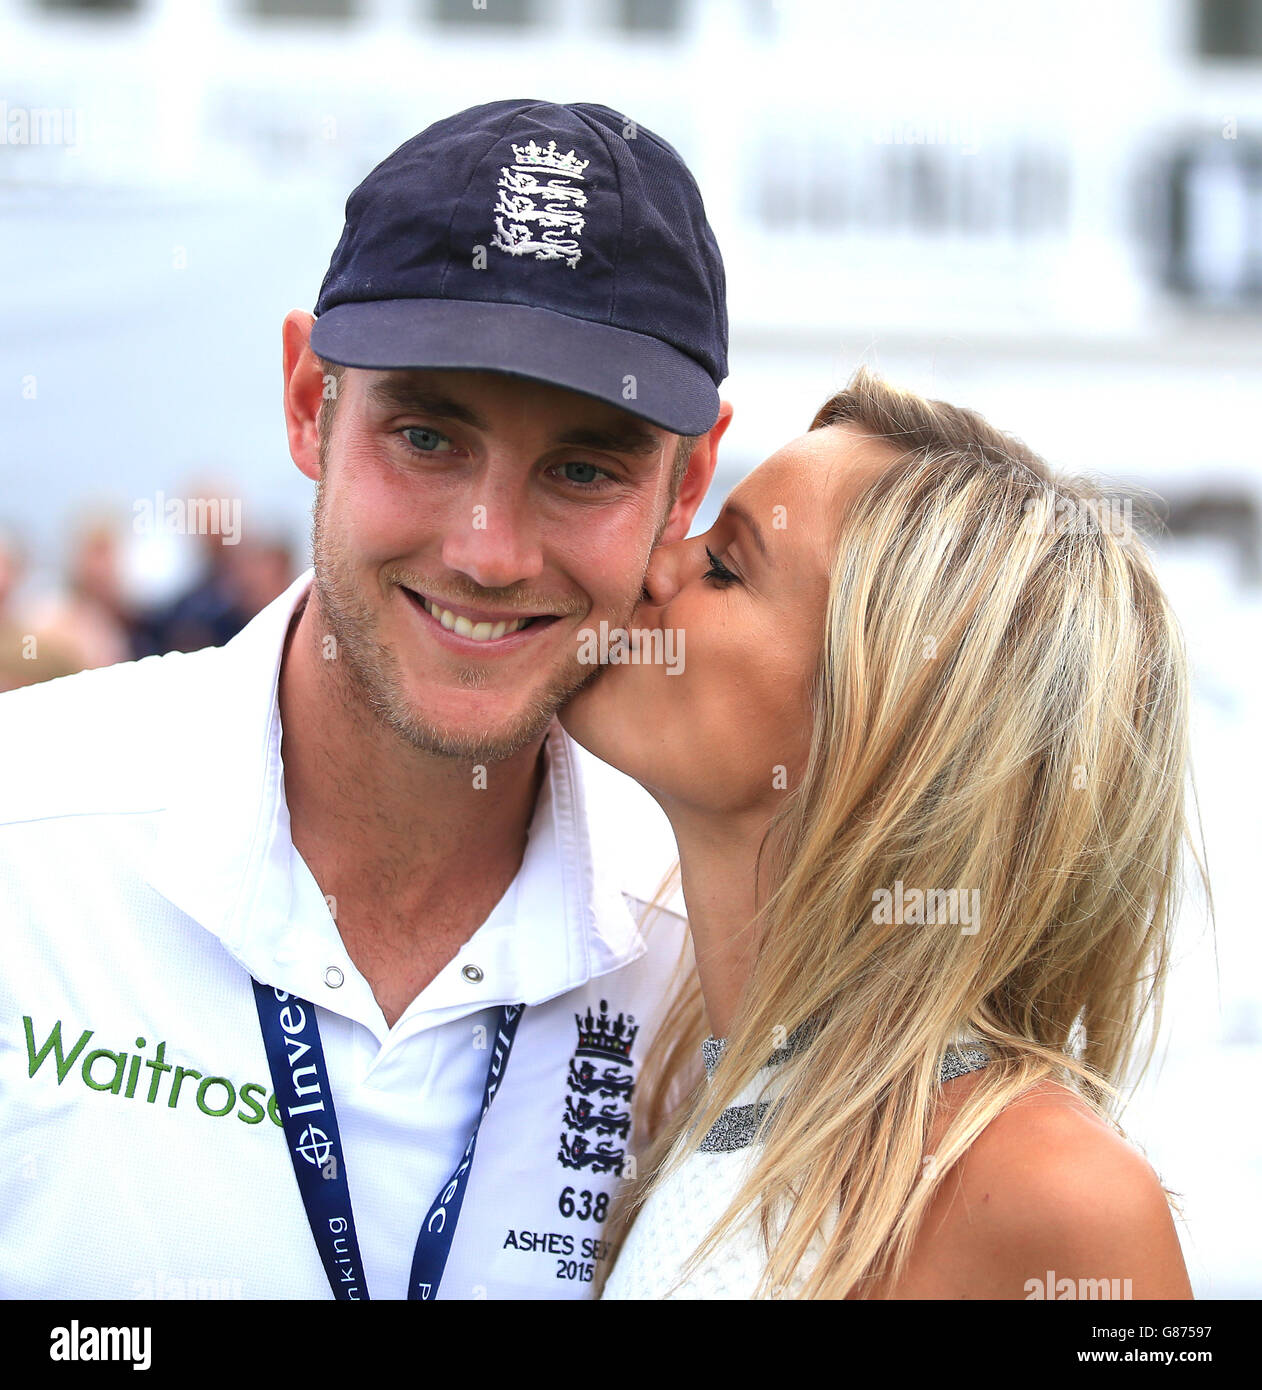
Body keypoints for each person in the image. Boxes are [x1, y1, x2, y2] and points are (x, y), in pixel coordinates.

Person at [0, 99, 731, 1300]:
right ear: (307, 401)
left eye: (583, 468)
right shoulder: (27, 836)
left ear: (686, 486)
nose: (489, 553)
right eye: (429, 438)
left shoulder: (708, 957)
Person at [559, 368, 1201, 1300]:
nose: (654, 567)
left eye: (727, 565)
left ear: (893, 724)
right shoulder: (693, 1086)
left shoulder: (1058, 1193)